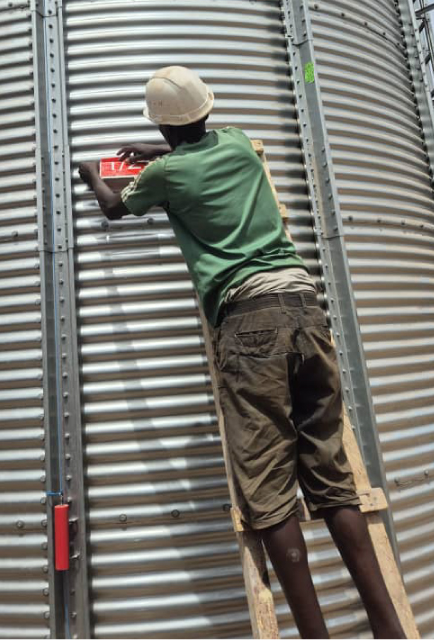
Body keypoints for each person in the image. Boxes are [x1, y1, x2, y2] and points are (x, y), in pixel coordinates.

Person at [76, 66, 404, 640]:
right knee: (331, 475)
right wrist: (159, 146)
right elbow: (199, 138)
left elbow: (113, 206)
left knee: (268, 491)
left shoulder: (166, 174)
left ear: (161, 127)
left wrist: (91, 172)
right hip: (305, 307)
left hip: (249, 322)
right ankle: (388, 628)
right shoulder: (235, 141)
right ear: (206, 110)